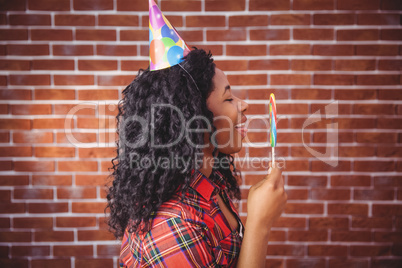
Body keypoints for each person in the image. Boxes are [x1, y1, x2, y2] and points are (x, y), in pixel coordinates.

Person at [106, 1, 287, 267]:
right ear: (194, 122)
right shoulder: (172, 225)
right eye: (228, 99)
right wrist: (259, 225)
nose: (244, 104)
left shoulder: (210, 183)